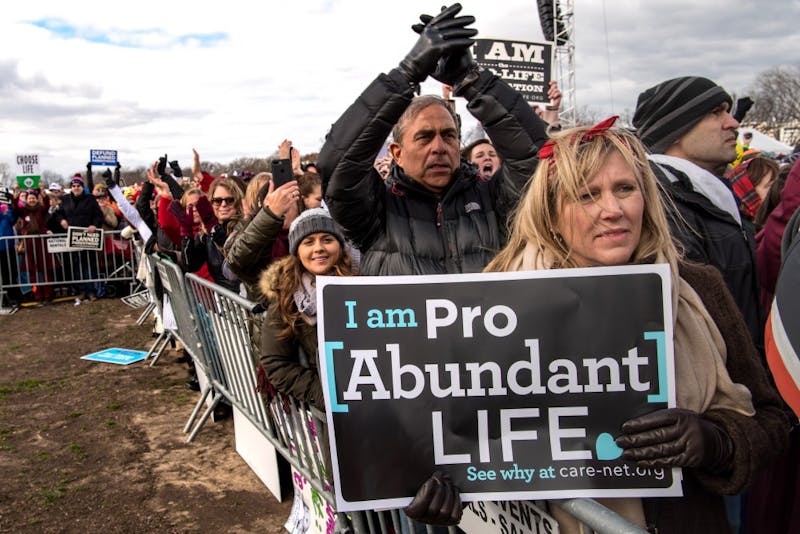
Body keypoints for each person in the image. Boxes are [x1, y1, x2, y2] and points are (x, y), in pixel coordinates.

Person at [483, 118, 789, 533]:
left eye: (625, 188)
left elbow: (771, 419)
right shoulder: (498, 306)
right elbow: (467, 435)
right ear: (552, 213)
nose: (613, 210)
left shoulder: (698, 288)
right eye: (587, 195)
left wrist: (716, 441)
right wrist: (443, 487)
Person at [319, 3, 548, 277]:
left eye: (448, 136)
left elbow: (538, 159)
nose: (439, 148)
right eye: (424, 137)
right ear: (397, 152)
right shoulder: (377, 213)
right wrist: (406, 74)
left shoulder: (493, 200)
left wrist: (471, 80)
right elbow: (336, 169)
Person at [632, 76, 763, 358]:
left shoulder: (708, 195)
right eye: (716, 112)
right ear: (676, 130)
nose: (733, 123)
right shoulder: (665, 208)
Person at [258, 208, 353, 410]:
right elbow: (275, 363)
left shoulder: (362, 284)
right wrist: (327, 395)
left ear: (340, 245)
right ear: (297, 251)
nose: (318, 248)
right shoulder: (286, 297)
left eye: (327, 239)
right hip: (334, 411)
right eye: (308, 242)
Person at [51, 174, 104, 303]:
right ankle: (81, 291)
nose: (76, 188)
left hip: (87, 237)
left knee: (88, 265)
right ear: (71, 188)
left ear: (82, 187)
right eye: (74, 186)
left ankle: (91, 291)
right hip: (72, 237)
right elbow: (57, 213)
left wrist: (94, 225)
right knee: (75, 265)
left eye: (78, 186)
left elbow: (98, 215)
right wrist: (62, 220)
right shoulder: (65, 199)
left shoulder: (90, 199)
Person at [725, 154, 780, 233]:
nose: (776, 191)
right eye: (769, 186)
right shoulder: (734, 229)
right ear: (749, 190)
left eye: (776, 185)